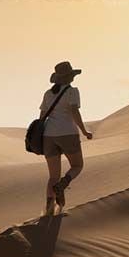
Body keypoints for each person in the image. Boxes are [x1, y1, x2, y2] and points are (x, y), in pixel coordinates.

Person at [39, 61, 92, 215]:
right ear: (69, 77)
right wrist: (84, 131)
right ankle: (63, 184)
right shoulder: (72, 91)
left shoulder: (48, 94)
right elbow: (74, 112)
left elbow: (42, 116)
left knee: (53, 176)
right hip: (68, 133)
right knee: (77, 166)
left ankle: (49, 209)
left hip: (49, 135)